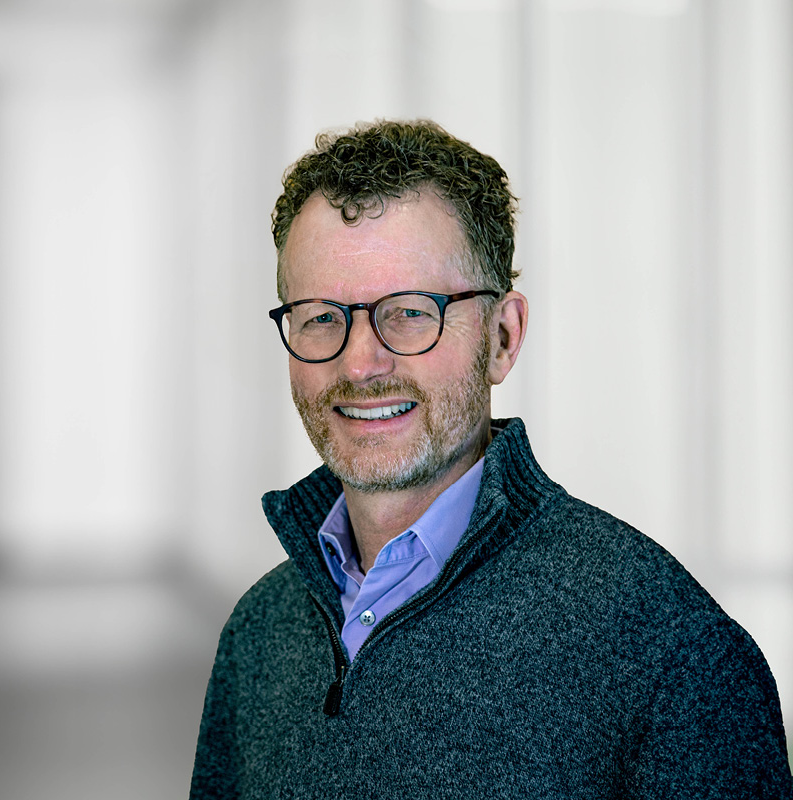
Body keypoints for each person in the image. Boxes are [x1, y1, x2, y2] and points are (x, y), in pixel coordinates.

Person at [190, 120, 792, 799]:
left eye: (411, 312)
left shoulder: (666, 648)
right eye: (322, 316)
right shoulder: (259, 632)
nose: (360, 362)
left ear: (503, 337)